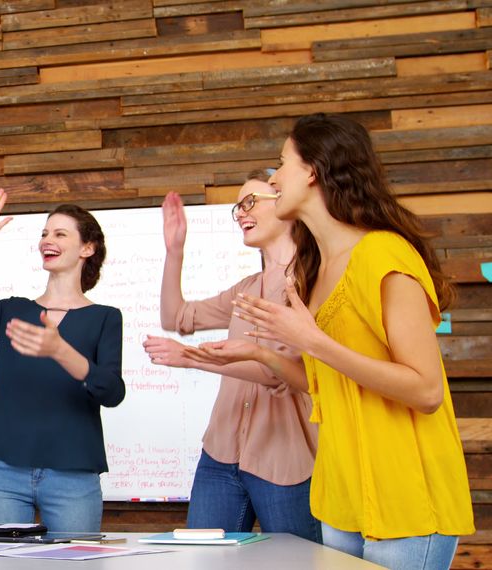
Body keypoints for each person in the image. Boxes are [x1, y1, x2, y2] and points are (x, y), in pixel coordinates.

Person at [193, 113, 474, 569]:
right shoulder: (316, 271)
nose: (275, 180)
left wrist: (312, 340)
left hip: (405, 498)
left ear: (312, 171)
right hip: (341, 499)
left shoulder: (384, 253)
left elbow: (425, 391)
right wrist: (262, 352)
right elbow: (329, 383)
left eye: (281, 164)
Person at [0, 189, 125, 533]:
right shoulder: (14, 311)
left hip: (73, 477)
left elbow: (112, 392)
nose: (47, 240)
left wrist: (60, 350)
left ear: (87, 248)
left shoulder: (106, 318)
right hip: (1, 473)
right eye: (45, 233)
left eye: (60, 234)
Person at [142, 173, 320, 543]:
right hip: (220, 455)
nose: (240, 212)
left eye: (250, 201)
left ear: (286, 204)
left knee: (298, 563)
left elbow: (281, 374)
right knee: (204, 560)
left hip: (285, 459)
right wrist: (175, 252)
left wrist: (191, 359)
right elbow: (175, 317)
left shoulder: (313, 283)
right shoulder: (246, 289)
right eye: (238, 206)